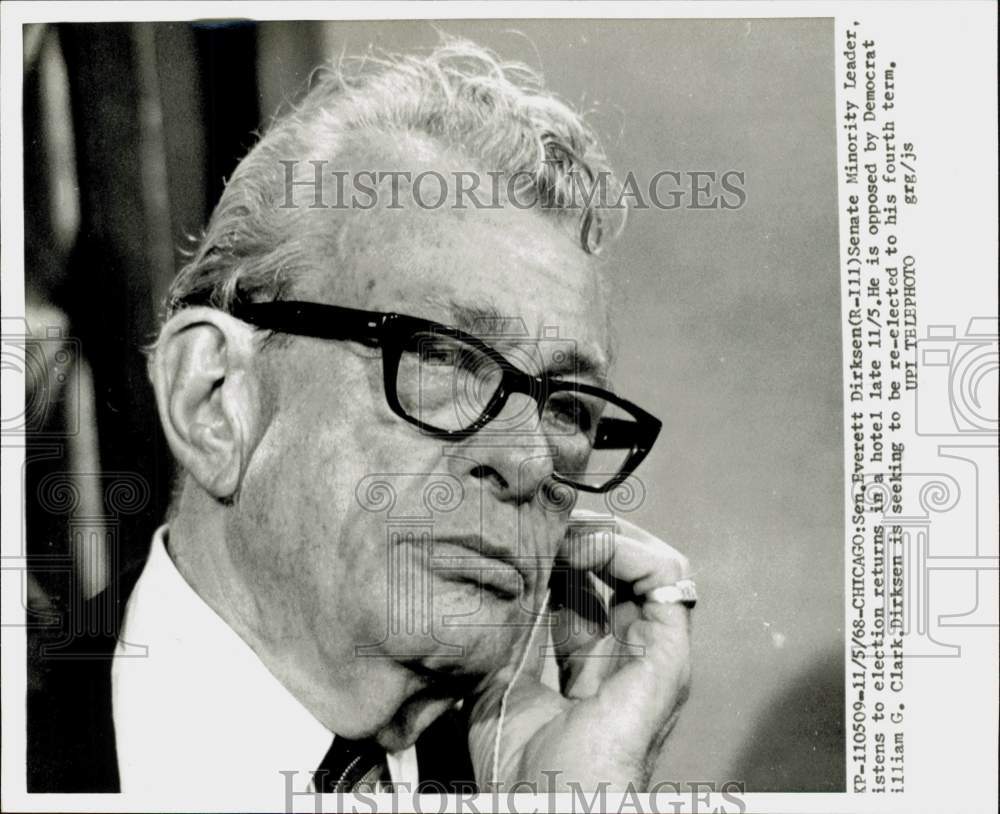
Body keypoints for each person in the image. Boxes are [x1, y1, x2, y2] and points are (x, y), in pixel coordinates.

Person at [28, 39, 693, 800]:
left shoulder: (549, 776)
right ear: (212, 399)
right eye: (443, 358)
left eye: (567, 408)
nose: (529, 460)